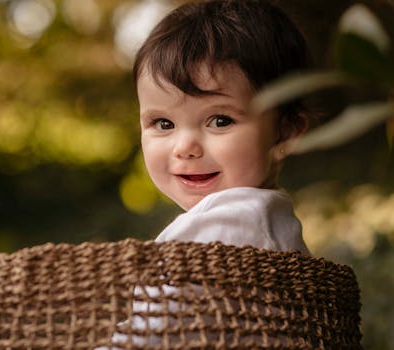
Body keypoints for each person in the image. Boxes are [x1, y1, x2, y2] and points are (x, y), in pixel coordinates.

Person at [100, 0, 312, 347]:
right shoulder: (269, 221)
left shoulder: (229, 227)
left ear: (287, 129)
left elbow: (150, 339)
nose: (185, 147)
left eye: (220, 120)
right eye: (163, 123)